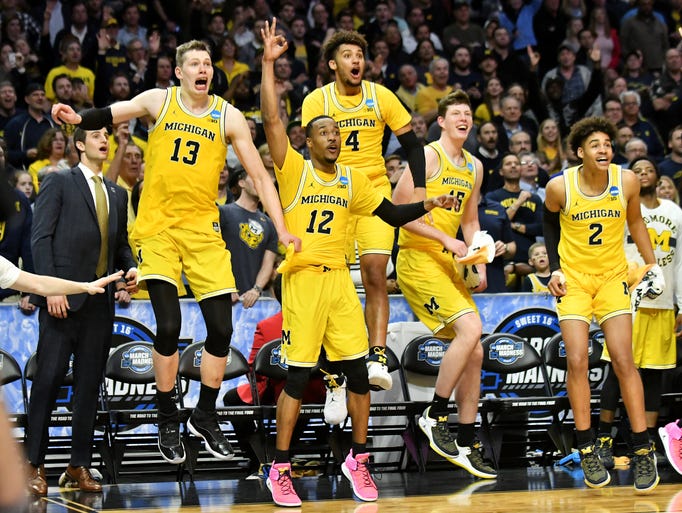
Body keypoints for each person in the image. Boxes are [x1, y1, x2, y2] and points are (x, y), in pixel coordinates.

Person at [51, 39, 299, 466]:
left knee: (221, 329)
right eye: (195, 64)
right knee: (168, 325)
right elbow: (112, 112)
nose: (203, 69)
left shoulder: (228, 115)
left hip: (203, 230)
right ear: (180, 73)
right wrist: (78, 119)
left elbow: (260, 174)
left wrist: (282, 228)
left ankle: (205, 412)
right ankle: (168, 415)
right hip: (158, 229)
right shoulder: (159, 100)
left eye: (208, 63)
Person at [259, 19, 453, 507]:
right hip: (302, 283)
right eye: (324, 132)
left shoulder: (354, 180)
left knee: (361, 375)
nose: (334, 137)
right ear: (308, 139)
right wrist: (267, 64)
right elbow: (271, 120)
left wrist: (427, 205)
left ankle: (358, 459)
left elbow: (390, 213)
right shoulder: (294, 169)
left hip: (341, 286)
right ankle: (278, 468)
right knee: (298, 376)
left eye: (338, 133)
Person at [301, 29, 427, 396]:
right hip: (332, 195)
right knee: (328, 278)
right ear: (332, 63)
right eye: (347, 55)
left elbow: (413, 146)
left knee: (375, 271)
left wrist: (418, 190)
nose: (355, 61)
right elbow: (308, 152)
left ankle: (376, 353)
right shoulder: (316, 100)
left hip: (372, 193)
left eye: (359, 54)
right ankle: (332, 362)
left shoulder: (380, 95)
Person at [543, 116, 661, 492]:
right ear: (580, 152)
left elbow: (637, 223)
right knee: (577, 359)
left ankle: (643, 450)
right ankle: (586, 446)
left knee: (624, 360)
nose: (604, 149)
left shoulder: (626, 180)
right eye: (596, 144)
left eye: (608, 143)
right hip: (575, 281)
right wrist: (555, 269)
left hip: (613, 278)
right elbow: (549, 226)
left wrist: (652, 265)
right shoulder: (560, 187)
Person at [26, 126, 138, 496]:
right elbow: (40, 238)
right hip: (62, 301)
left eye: (107, 135)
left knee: (89, 388)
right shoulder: (59, 182)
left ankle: (77, 465)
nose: (104, 139)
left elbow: (120, 246)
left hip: (99, 304)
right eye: (95, 135)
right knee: (47, 383)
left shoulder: (118, 194)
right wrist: (51, 289)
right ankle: (35, 466)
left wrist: (131, 269)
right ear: (78, 144)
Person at [393, 90, 497, 480]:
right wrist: (444, 240)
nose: (464, 118)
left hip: (449, 261)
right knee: (472, 329)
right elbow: (398, 215)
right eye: (456, 113)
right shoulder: (427, 157)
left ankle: (467, 440)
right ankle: (435, 414)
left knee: (474, 352)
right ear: (441, 121)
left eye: (468, 113)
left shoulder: (475, 165)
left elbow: (469, 220)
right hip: (417, 258)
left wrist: (477, 254)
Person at [595, 156, 682, 469]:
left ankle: (645, 444)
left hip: (662, 304)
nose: (644, 173)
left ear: (658, 176)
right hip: (627, 302)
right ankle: (602, 440)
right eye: (638, 170)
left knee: (656, 375)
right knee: (618, 371)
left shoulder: (674, 212)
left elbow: (681, 260)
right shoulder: (623, 209)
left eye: (649, 169)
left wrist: (680, 302)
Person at [218, 167, 279, 308]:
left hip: (253, 301)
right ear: (242, 183)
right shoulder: (223, 213)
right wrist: (226, 285)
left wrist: (256, 289)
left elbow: (268, 263)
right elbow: (212, 253)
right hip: (221, 294)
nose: (260, 183)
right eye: (254, 179)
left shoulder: (269, 223)